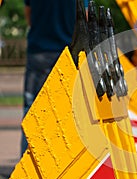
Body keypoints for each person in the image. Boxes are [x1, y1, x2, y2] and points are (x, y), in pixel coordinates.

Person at [21, 0, 88, 155]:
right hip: (70, 53)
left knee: (32, 109)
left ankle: (27, 159)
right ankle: (64, 160)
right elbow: (85, 18)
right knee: (70, 111)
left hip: (39, 52)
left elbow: (29, 16)